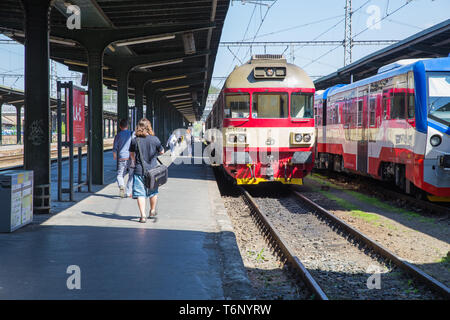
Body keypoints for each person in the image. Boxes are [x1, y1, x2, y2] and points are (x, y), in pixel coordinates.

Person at [129, 118, 164, 223]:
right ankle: (152, 210)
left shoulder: (135, 140)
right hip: (153, 172)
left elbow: (131, 154)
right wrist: (154, 155)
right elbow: (162, 151)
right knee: (153, 192)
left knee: (140, 193)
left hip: (139, 170)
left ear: (138, 127)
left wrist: (135, 160)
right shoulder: (155, 139)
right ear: (149, 127)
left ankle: (143, 216)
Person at [113, 119, 133, 198]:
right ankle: (128, 192)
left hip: (121, 157)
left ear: (120, 126)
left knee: (120, 174)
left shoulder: (118, 135)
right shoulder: (131, 133)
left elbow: (115, 148)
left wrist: (115, 156)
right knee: (131, 174)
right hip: (131, 157)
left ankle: (121, 185)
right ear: (127, 126)